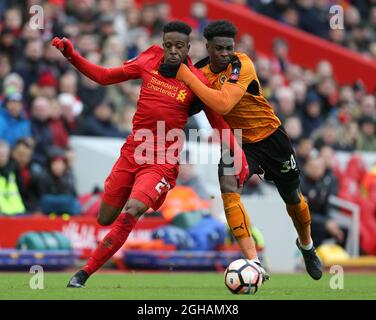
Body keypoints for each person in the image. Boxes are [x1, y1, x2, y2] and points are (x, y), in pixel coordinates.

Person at [51, 21, 250, 288]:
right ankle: (90, 264)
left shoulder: (196, 80)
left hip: (162, 162)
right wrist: (71, 56)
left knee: (132, 210)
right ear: (163, 43)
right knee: (104, 218)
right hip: (133, 152)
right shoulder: (149, 59)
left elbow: (218, 122)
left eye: (178, 46)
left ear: (188, 48)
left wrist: (239, 156)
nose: (172, 51)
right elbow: (105, 76)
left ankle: (83, 274)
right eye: (168, 45)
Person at [176, 20, 323, 280]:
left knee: (293, 198)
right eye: (219, 48)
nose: (224, 53)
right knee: (228, 188)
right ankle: (253, 262)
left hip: (271, 138)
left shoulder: (241, 64)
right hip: (239, 141)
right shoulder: (200, 71)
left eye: (228, 47)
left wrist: (186, 76)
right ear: (207, 47)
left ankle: (307, 246)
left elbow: (222, 104)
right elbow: (190, 104)